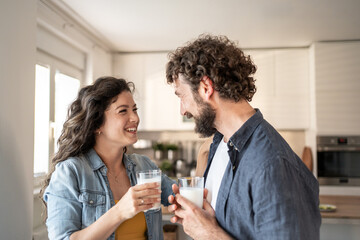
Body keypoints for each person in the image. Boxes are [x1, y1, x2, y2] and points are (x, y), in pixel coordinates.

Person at [166, 34, 321, 240]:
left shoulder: (272, 164)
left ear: (205, 88)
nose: (182, 110)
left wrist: (209, 234)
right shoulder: (219, 144)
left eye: (182, 96)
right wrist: (201, 218)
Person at [42, 77, 175, 240]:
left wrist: (206, 152)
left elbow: (182, 196)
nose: (135, 118)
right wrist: (119, 212)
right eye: (123, 111)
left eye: (135, 109)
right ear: (97, 123)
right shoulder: (71, 172)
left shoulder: (144, 166)